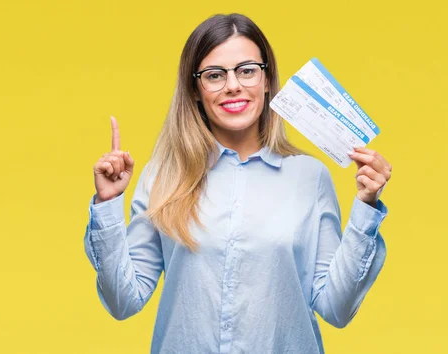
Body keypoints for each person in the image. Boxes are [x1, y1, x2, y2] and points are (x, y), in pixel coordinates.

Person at [83, 13, 392, 354]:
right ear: (195, 90)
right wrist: (108, 205)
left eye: (247, 70)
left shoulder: (310, 177)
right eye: (215, 75)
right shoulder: (163, 176)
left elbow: (337, 307)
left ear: (267, 80)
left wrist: (366, 205)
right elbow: (123, 301)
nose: (233, 85)